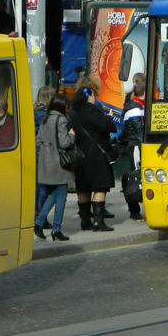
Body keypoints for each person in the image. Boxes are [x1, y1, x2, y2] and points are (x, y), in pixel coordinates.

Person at [69, 77, 116, 232]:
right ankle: (98, 221)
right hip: (95, 155)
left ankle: (85, 221)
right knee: (100, 187)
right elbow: (105, 125)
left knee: (83, 187)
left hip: (80, 155)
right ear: (91, 93)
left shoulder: (74, 111)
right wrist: (109, 117)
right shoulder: (92, 109)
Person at [33, 93, 75, 241]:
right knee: (61, 193)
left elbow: (38, 141)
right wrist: (72, 135)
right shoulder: (61, 120)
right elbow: (64, 143)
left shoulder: (45, 118)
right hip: (58, 163)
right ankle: (52, 228)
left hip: (45, 161)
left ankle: (45, 224)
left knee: (56, 193)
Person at [121, 73, 146, 221]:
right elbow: (138, 132)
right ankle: (134, 211)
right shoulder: (135, 109)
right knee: (135, 179)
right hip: (136, 146)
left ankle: (135, 210)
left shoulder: (135, 105)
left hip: (135, 144)